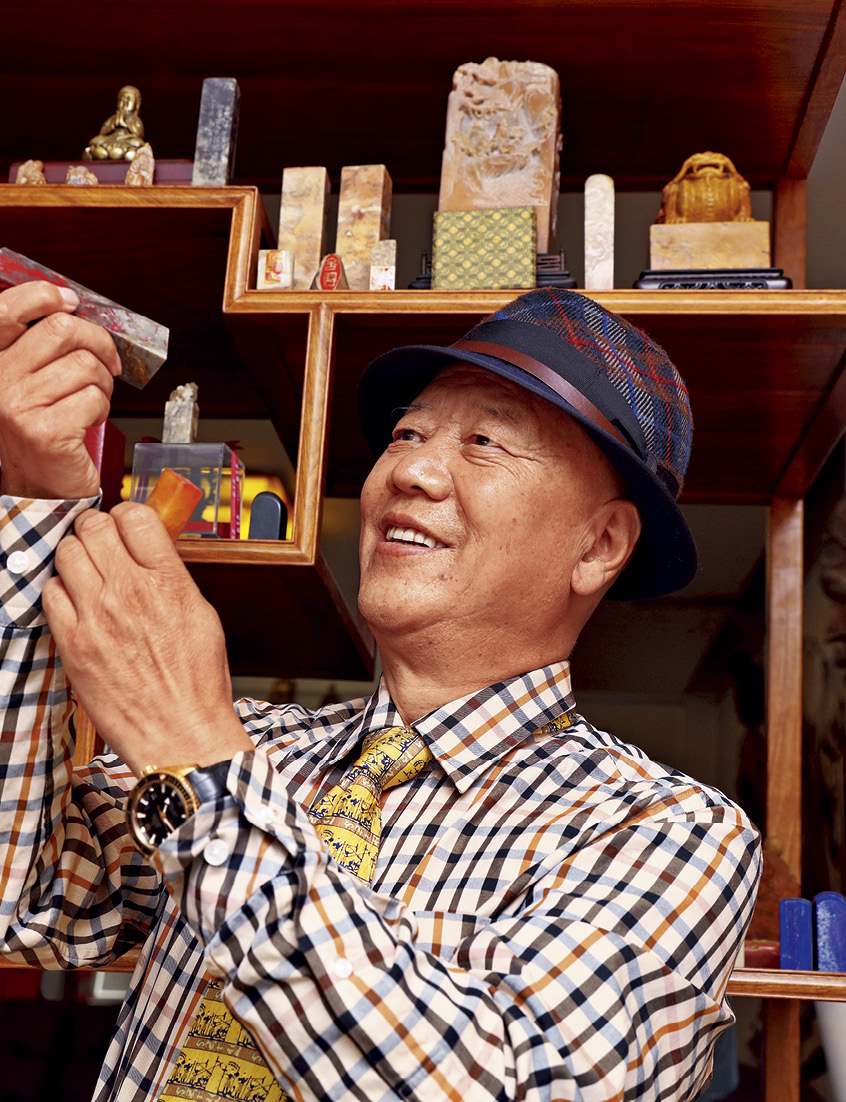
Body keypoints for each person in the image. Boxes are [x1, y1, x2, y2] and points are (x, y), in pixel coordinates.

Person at [0, 280, 760, 1102]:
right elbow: (23, 904)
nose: (412, 471)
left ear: (600, 544)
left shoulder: (670, 833)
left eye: (484, 442)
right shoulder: (259, 746)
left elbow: (507, 1085)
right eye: (407, 433)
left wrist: (195, 759)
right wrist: (35, 498)